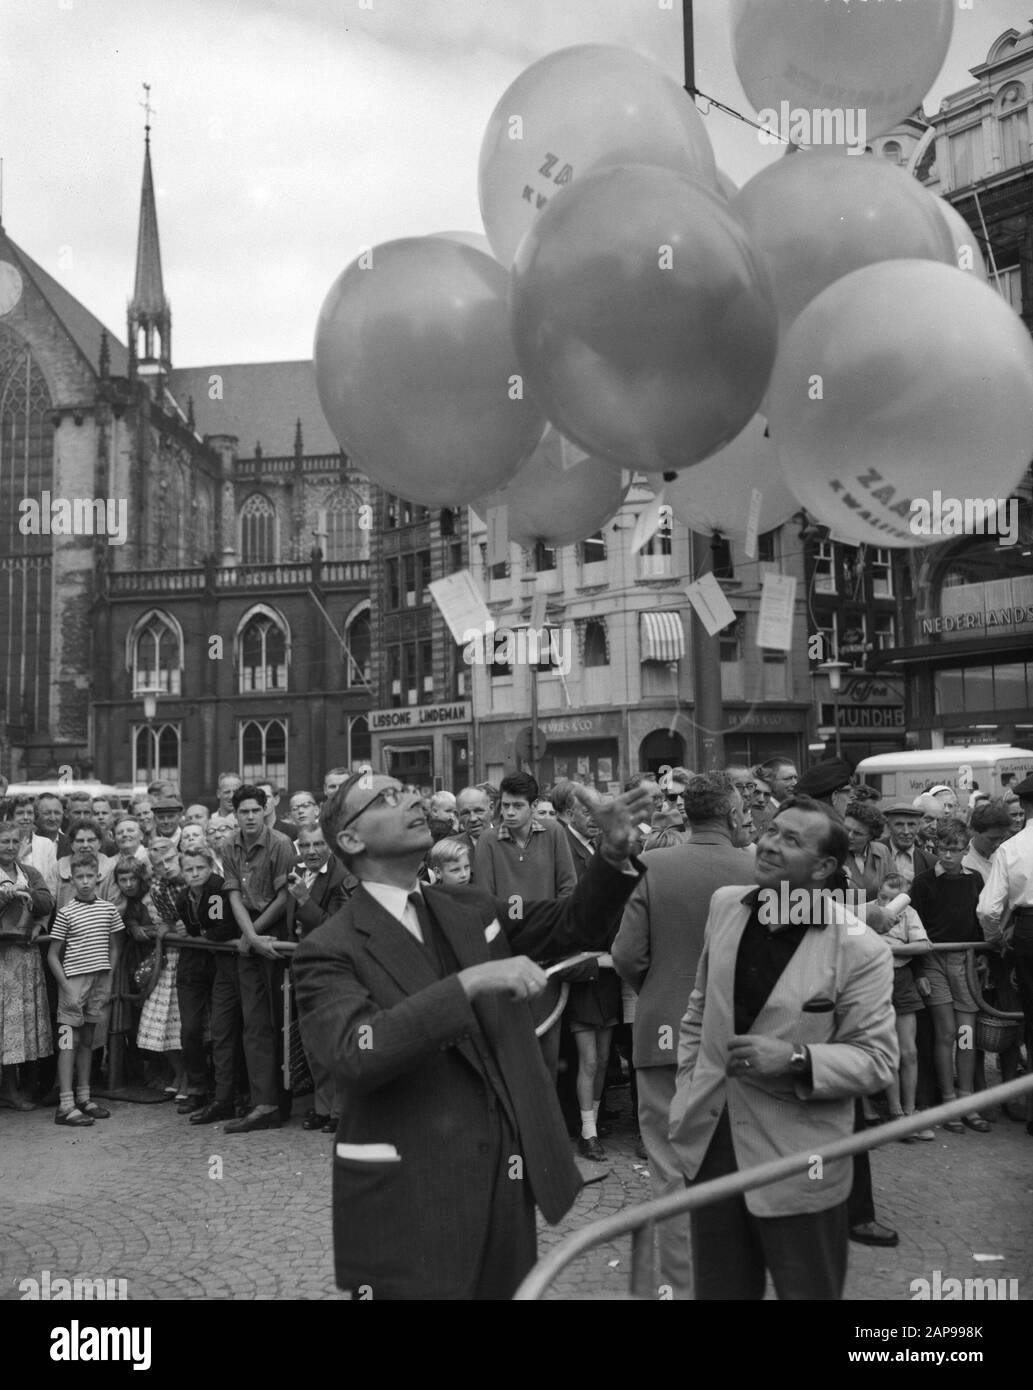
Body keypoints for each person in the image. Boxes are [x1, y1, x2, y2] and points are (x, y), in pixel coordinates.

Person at [293, 773, 652, 1300]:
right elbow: (353, 1052)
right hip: (409, 1194)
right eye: (387, 798)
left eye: (408, 789)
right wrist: (468, 984)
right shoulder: (328, 946)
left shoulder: (472, 907)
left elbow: (574, 925)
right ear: (350, 839)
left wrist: (612, 855)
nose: (413, 797)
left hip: (502, 1185)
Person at [668, 795, 897, 1300]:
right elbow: (697, 1011)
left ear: (824, 868)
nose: (769, 843)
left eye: (790, 840)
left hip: (801, 1159)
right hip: (713, 1145)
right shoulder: (726, 905)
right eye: (771, 830)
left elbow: (878, 1061)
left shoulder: (859, 948)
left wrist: (796, 1059)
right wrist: (687, 1093)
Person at [613, 772, 754, 1299]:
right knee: (736, 1161)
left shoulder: (650, 865)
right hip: (739, 1039)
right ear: (730, 813)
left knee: (670, 1169)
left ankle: (677, 1285)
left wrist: (655, 992)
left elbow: (627, 954)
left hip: (664, 1033)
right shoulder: (759, 869)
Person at [218, 784, 295, 1133]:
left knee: (280, 1019)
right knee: (254, 1022)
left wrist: (255, 936)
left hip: (276, 934)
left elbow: (283, 898)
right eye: (243, 811)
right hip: (249, 933)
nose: (249, 817)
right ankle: (262, 1103)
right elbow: (233, 894)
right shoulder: (228, 844)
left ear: (265, 810)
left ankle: (281, 1103)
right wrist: (249, 937)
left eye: (255, 810)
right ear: (235, 813)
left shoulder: (280, 843)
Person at [910, 818, 989, 1135]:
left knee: (967, 1033)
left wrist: (984, 956)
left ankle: (966, 1102)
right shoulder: (924, 882)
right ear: (936, 847)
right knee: (945, 1033)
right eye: (944, 848)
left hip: (966, 958)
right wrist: (918, 969)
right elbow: (913, 928)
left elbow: (982, 921)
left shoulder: (975, 880)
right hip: (932, 959)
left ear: (965, 849)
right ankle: (947, 1101)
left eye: (956, 849)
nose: (949, 856)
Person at [287, 826, 357, 1133]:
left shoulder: (343, 877)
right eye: (305, 845)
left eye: (318, 844)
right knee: (312, 1041)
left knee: (334, 1040)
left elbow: (336, 928)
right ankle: (322, 1107)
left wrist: (304, 899)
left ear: (330, 846)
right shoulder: (296, 872)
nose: (312, 851)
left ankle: (341, 1111)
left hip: (334, 970)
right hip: (304, 968)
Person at [48, 850, 125, 1127]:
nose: (84, 882)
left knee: (88, 1041)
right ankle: (65, 1104)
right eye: (78, 877)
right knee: (68, 1042)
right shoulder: (66, 913)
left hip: (98, 982)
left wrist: (109, 975)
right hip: (73, 983)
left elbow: (115, 946)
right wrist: (66, 987)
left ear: (98, 876)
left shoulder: (108, 909)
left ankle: (84, 1097)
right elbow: (52, 955)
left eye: (89, 876)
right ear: (71, 880)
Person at [977, 772, 1033, 1136]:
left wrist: (997, 940)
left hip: (1029, 932)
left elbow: (987, 910)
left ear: (1024, 807)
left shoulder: (1012, 849)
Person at [870, 874, 934, 1141]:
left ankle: (910, 1112)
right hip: (874, 981)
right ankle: (895, 1113)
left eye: (893, 899)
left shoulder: (909, 913)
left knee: (909, 1051)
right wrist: (899, 947)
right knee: (887, 1049)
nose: (886, 903)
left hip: (903, 980)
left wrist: (890, 948)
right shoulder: (868, 910)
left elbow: (924, 945)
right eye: (883, 897)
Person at [0, 821, 54, 1112]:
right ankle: (7, 1089)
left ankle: (16, 1088)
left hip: (24, 957)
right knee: (4, 1027)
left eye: (13, 841)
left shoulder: (29, 872)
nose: (9, 847)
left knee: (20, 1029)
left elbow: (48, 900)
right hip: (1, 958)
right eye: (3, 841)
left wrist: (28, 896)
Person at [174, 845, 230, 1116]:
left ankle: (225, 1091)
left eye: (200, 868)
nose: (195, 873)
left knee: (222, 1029)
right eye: (189, 869)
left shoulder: (217, 891)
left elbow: (218, 929)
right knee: (190, 1029)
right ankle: (196, 1088)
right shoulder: (183, 897)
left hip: (219, 965)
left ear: (210, 868)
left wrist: (195, 931)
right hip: (192, 966)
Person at [473, 772, 576, 902]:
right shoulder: (488, 840)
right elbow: (485, 895)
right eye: (506, 805)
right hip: (505, 921)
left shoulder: (554, 832)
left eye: (518, 806)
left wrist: (555, 920)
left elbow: (568, 886)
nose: (510, 812)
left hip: (548, 920)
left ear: (533, 805)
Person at [137, 839, 187, 1100]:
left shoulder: (195, 876)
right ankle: (180, 1073)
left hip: (193, 957)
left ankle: (190, 1078)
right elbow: (168, 922)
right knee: (163, 1021)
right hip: (169, 958)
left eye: (169, 859)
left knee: (188, 1024)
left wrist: (184, 926)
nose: (166, 866)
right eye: (159, 864)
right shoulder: (157, 888)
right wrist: (170, 926)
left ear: (178, 855)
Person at [842, 802, 891, 899]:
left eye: (857, 833)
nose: (849, 836)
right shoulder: (833, 853)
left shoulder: (882, 851)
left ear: (871, 836)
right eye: (846, 829)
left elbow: (895, 887)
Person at [11, 794, 58, 894]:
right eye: (20, 813)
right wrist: (18, 858)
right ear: (11, 817)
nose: (25, 817)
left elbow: (52, 881)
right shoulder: (2, 844)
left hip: (40, 904)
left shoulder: (46, 844)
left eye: (30, 813)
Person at [881, 803, 935, 886]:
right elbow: (859, 890)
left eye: (911, 825)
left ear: (918, 828)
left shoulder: (931, 861)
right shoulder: (873, 854)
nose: (906, 831)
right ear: (888, 827)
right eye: (899, 825)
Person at [963, 801, 1014, 882]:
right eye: (992, 839)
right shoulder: (963, 862)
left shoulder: (1007, 853)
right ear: (974, 831)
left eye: (1001, 839)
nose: (997, 844)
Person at [751, 757, 798, 836]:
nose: (795, 783)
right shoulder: (758, 811)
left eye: (795, 778)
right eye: (787, 779)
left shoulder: (796, 807)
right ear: (769, 781)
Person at [455, 785, 493, 852]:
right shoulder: (450, 848)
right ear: (458, 816)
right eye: (466, 813)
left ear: (492, 809)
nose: (473, 819)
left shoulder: (511, 843)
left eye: (478, 811)